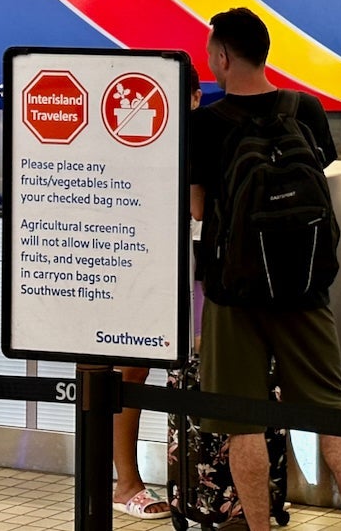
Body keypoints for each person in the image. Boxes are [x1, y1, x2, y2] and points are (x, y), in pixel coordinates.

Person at [188, 7, 341, 531]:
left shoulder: (206, 123)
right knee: (329, 405)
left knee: (242, 419)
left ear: (223, 56)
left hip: (234, 292)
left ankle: (259, 526)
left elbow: (199, 210)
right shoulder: (305, 109)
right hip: (304, 286)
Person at [108, 79, 206, 518]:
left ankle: (193, 485)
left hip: (191, 266)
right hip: (142, 265)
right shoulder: (133, 141)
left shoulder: (201, 135)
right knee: (131, 370)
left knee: (182, 370)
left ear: (195, 98)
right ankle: (125, 482)